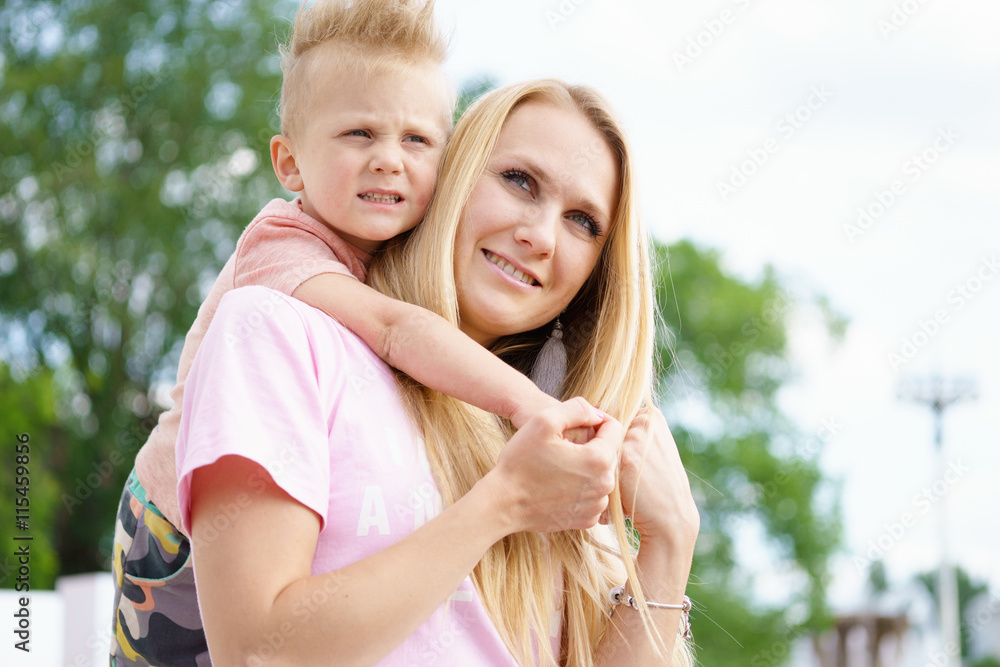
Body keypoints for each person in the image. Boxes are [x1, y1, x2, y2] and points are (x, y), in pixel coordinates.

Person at [176, 80, 699, 666]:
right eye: (519, 180)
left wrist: (669, 544)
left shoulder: (568, 469)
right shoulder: (280, 332)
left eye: (582, 220)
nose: (540, 236)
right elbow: (256, 653)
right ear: (448, 177)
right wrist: (503, 502)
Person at [111, 2, 572, 661]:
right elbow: (394, 329)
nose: (389, 160)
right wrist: (532, 406)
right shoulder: (280, 246)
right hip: (170, 535)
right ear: (290, 164)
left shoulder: (383, 250)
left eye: (417, 141)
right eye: (359, 133)